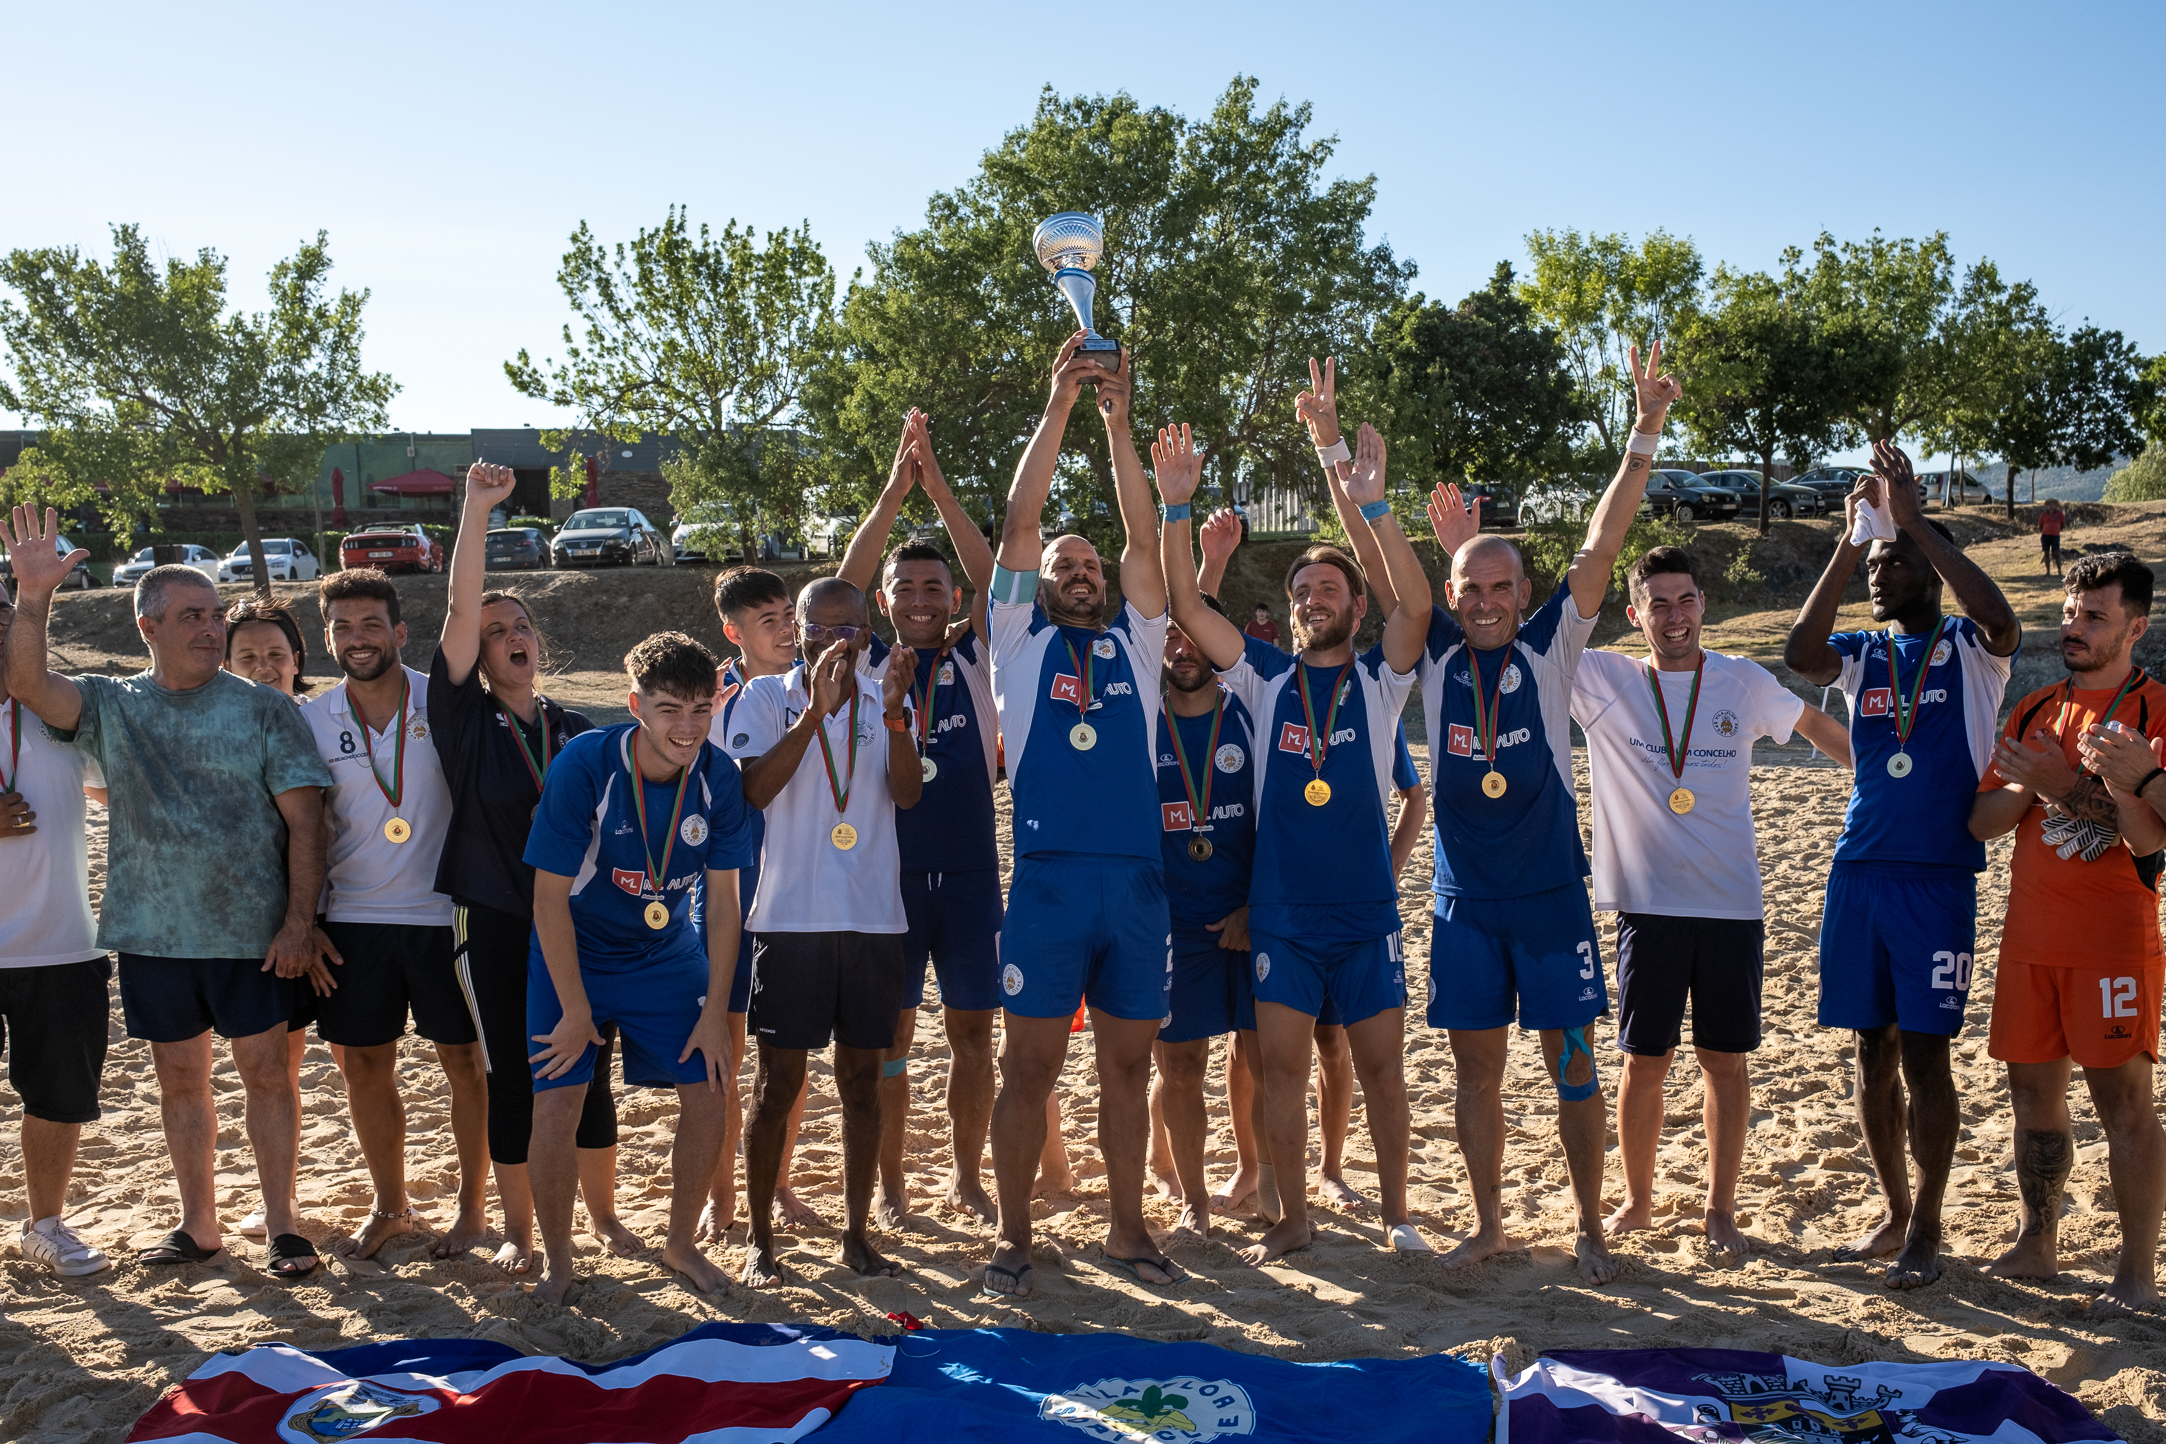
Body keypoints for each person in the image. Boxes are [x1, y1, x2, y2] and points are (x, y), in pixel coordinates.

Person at [1403, 347, 1677, 1286]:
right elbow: (1387, 570)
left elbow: (1601, 547)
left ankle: (1591, 1226)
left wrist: (1642, 430)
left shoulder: (1554, 646)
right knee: (1474, 1074)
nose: (1485, 602)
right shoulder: (1434, 651)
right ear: (1453, 597)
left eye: (1501, 588)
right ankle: (1487, 1224)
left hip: (1553, 900)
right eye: (1470, 589)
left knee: (1572, 1064)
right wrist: (1342, 472)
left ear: (1526, 596)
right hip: (1464, 904)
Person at [1, 506, 332, 1279]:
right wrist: (35, 595)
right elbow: (26, 682)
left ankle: (282, 1224)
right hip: (152, 936)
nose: (212, 629)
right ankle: (199, 1225)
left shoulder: (264, 708)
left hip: (252, 935)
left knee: (267, 1079)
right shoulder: (113, 706)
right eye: (193, 616)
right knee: (180, 1084)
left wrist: (296, 923)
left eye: (216, 614)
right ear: (148, 626)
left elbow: (307, 824)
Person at [1158, 409, 1432, 1266]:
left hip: (1362, 918)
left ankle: (1397, 1213)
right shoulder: (1264, 676)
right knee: (1280, 1071)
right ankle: (1293, 1217)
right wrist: (1174, 510)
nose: (1315, 600)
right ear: (1288, 611)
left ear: (1355, 605)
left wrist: (1371, 503)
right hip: (1279, 917)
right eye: (1302, 592)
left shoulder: (1385, 679)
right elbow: (1182, 605)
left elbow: (1417, 601)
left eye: (1330, 590)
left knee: (1382, 1069)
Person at [1784, 440, 2021, 1289]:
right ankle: (1891, 1210)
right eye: (1876, 566)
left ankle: (1929, 1224)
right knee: (1870, 1053)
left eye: (1894, 564)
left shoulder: (1971, 647)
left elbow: (2002, 619)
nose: (1880, 577)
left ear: (1929, 568)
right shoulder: (1865, 655)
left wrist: (1918, 524)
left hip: (1936, 879)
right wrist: (1854, 538)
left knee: (1927, 1056)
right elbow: (1798, 653)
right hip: (1859, 873)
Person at [1571, 546, 1851, 1258]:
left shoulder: (1740, 680)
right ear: (1634, 615)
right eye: (1657, 604)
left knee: (1724, 1062)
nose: (1674, 616)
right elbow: (1541, 633)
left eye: (1685, 600)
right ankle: (1638, 1201)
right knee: (1644, 1060)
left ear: (1704, 604)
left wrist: (1897, 777)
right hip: (1648, 906)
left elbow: (1820, 730)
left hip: (1733, 905)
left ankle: (1720, 1210)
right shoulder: (1602, 677)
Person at [980, 333, 1172, 1296]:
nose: (1082, 569)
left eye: (1089, 562)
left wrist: (1119, 424)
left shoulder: (1141, 643)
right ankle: (1016, 1235)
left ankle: (1129, 1229)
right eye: (1067, 562)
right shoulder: (1014, 639)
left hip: (1138, 882)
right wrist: (1058, 408)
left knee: (1130, 1072)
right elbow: (1018, 523)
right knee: (1030, 1071)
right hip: (1051, 885)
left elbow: (1145, 541)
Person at [435, 464, 630, 1274]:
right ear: (474, 655)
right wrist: (477, 512)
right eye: (492, 630)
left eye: (520, 624)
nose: (510, 634)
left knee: (588, 1072)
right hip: (499, 920)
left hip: (581, 924)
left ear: (538, 641)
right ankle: (520, 1230)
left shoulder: (579, 727)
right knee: (516, 1074)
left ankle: (608, 1220)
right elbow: (456, 606)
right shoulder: (460, 717)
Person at [524, 631, 753, 1303]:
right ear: (634, 706)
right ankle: (559, 1262)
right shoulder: (585, 766)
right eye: (667, 709)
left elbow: (724, 905)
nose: (686, 728)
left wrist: (715, 1014)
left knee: (713, 1089)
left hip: (664, 954)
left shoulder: (720, 777)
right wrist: (572, 1010)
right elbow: (547, 898)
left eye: (699, 710)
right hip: (578, 952)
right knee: (557, 1105)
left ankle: (680, 1244)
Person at [1972, 550, 2165, 1314]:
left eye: (2094, 616)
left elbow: (2147, 839)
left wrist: (2076, 785)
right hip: (2030, 941)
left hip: (2112, 941)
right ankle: (2038, 1241)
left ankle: (2136, 1272)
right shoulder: (2036, 706)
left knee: (2124, 1105)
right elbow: (1983, 824)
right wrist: (2028, 782)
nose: (2074, 627)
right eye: (2069, 612)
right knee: (2031, 1100)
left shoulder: (2155, 711)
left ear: (2136, 627)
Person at [835, 408, 1004, 1227]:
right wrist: (893, 496)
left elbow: (991, 570)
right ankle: (895, 1183)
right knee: (891, 1045)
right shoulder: (863, 658)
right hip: (885, 880)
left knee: (975, 1038)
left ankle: (967, 1177)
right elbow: (848, 574)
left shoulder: (980, 653)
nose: (925, 597)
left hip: (970, 877)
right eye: (908, 588)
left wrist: (937, 485)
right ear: (886, 602)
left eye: (937, 588)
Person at [732, 578, 923, 1286]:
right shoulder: (763, 697)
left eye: (851, 630)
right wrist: (815, 712)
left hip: (873, 920)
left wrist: (898, 715)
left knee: (862, 1084)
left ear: (868, 632)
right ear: (799, 632)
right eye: (822, 629)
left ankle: (855, 1232)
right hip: (790, 920)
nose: (837, 642)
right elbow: (754, 791)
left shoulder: (888, 697)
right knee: (777, 1086)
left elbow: (907, 795)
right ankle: (759, 1239)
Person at [294, 570, 487, 1262]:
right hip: (353, 919)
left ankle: (471, 1210)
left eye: (371, 624)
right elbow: (305, 828)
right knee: (365, 1066)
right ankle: (391, 1204)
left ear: (400, 632)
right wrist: (306, 918)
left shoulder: (449, 703)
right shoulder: (312, 717)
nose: (357, 639)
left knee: (466, 1063)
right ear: (326, 638)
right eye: (342, 627)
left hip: (445, 914)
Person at [0, 587, 111, 1276]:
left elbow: (122, 783)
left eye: (5, 621)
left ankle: (45, 1225)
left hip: (62, 943)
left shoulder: (63, 713)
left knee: (59, 1095)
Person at [1146, 594, 1262, 1240]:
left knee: (1259, 1060)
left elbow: (1281, 819)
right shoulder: (1140, 719)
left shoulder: (1251, 716)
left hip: (1250, 916)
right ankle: (1194, 1200)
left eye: (1194, 636)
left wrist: (1257, 905)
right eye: (1171, 639)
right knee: (1181, 1066)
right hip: (1174, 926)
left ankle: (1255, 1173)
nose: (1183, 649)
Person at [702, 563, 812, 1240]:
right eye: (768, 621)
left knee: (784, 1059)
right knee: (724, 1058)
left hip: (795, 896)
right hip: (727, 897)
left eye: (788, 617)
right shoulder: (710, 696)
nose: (786, 631)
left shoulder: (811, 688)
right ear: (734, 631)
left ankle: (776, 1182)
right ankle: (720, 1198)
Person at [220, 596, 328, 1243]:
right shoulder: (215, 727)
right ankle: (279, 1203)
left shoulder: (323, 721)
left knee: (358, 1062)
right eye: (249, 657)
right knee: (275, 1069)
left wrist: (313, 919)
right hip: (266, 927)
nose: (264, 667)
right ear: (227, 664)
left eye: (276, 655)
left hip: (336, 919)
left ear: (298, 661)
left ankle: (386, 1200)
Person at [2038, 499, 2066, 579]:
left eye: (2053, 504)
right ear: (2047, 506)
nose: (2051, 506)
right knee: (2046, 553)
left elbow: (2062, 524)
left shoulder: (2059, 514)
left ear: (2055, 506)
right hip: (2045, 536)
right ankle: (2048, 572)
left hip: (2055, 536)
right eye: (2049, 504)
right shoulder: (2044, 515)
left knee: (2057, 553)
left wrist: (2056, 530)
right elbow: (2040, 525)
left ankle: (2059, 572)